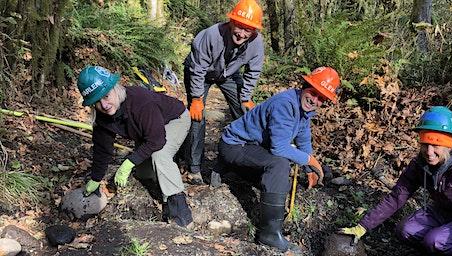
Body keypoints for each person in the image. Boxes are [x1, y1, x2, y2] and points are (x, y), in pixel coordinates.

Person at [340, 106, 452, 256]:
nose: (429, 152)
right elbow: (396, 197)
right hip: (442, 213)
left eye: (436, 145)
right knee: (405, 231)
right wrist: (362, 226)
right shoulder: (419, 164)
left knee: (434, 241)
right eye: (425, 144)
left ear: (449, 144)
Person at [215, 67, 341, 252]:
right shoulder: (285, 103)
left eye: (321, 98)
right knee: (279, 164)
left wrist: (308, 168)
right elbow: (279, 148)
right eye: (313, 93)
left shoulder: (303, 109)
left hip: (253, 147)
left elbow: (303, 137)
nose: (315, 100)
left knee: (278, 181)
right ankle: (269, 235)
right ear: (305, 86)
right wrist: (310, 161)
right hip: (235, 145)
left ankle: (228, 167)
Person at [77, 66, 193, 228]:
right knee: (144, 173)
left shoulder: (141, 102)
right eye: (96, 101)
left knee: (160, 155)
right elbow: (102, 150)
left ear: (115, 89)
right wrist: (95, 179)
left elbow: (156, 140)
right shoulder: (102, 117)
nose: (104, 104)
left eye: (106, 96)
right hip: (147, 130)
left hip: (174, 119)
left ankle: (180, 212)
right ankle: (159, 189)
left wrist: (128, 163)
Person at [183, 0, 265, 183]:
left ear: (255, 31)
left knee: (245, 113)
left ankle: (242, 160)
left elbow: (253, 71)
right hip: (200, 72)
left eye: (248, 30)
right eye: (239, 27)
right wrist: (197, 98)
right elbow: (197, 68)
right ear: (231, 22)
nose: (241, 34)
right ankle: (194, 167)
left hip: (228, 73)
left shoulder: (257, 44)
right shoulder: (211, 35)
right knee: (197, 116)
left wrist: (245, 97)